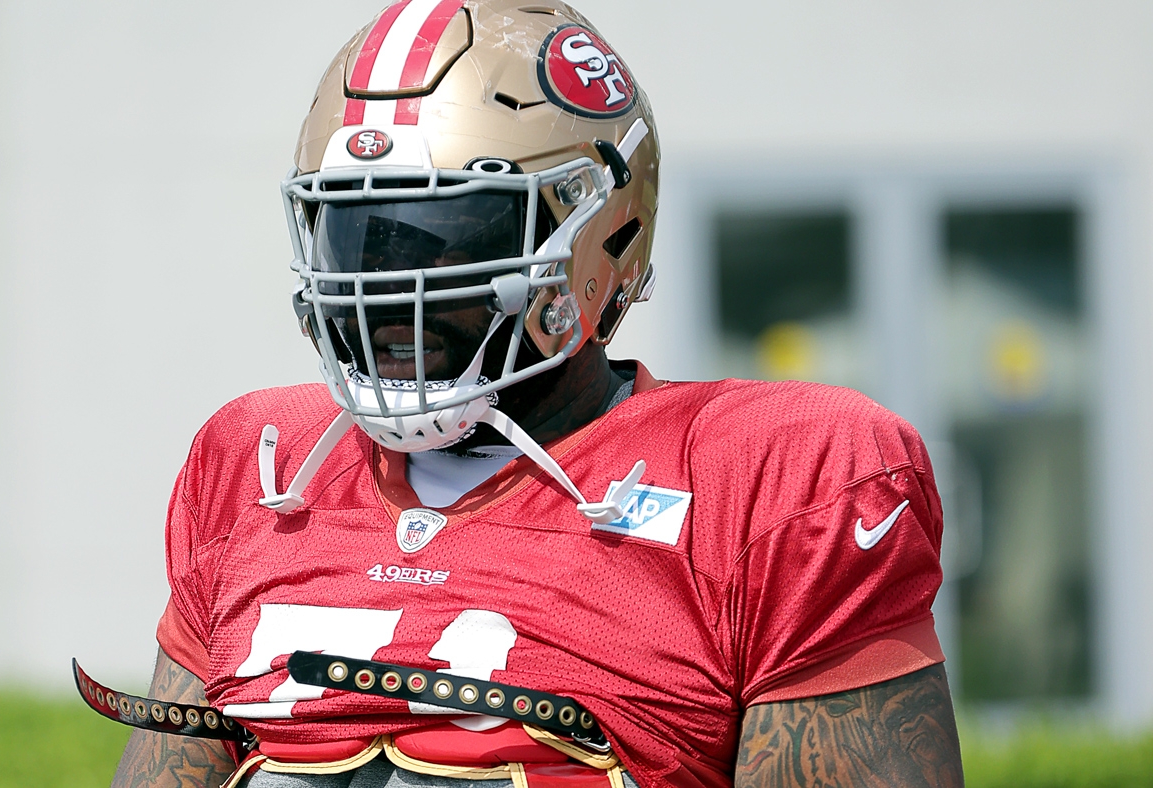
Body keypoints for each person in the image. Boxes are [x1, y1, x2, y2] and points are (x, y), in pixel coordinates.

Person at [104, 2, 963, 786]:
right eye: (359, 234)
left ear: (602, 236)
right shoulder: (259, 463)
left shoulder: (769, 475)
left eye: (447, 236)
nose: (389, 284)